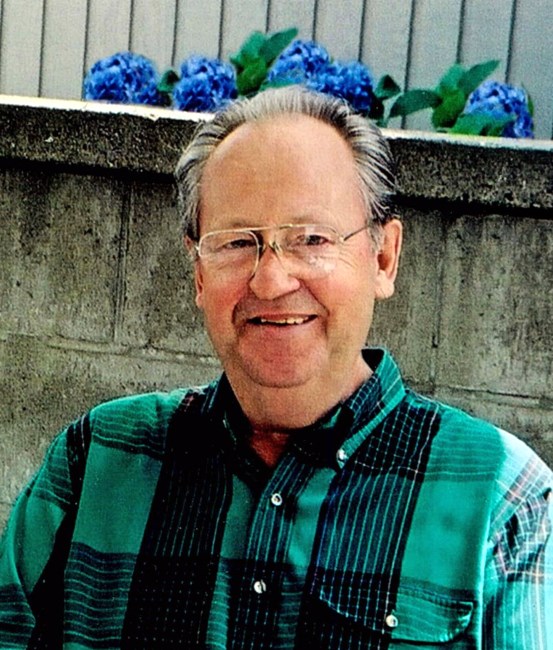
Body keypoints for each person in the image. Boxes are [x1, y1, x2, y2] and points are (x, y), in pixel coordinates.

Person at [0, 86, 551, 649]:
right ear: (198, 273)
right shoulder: (97, 462)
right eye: (238, 243)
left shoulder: (503, 500)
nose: (270, 281)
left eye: (311, 239)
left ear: (383, 258)